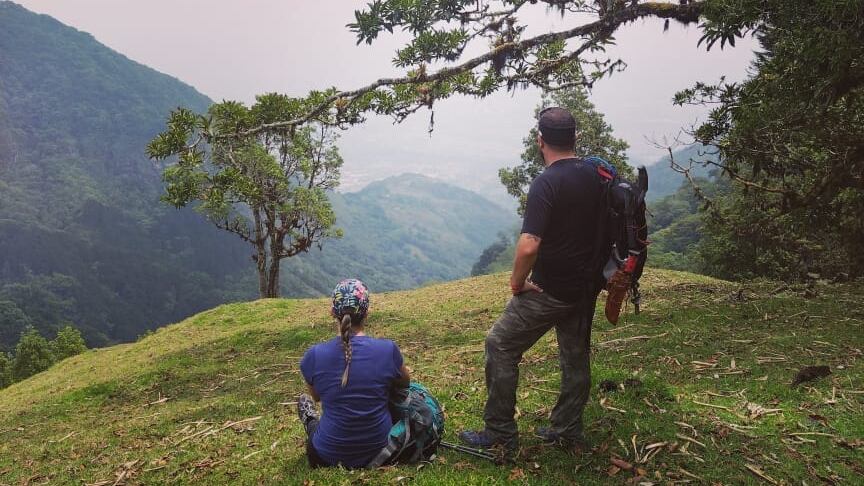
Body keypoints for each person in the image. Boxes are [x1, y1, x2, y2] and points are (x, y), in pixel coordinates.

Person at [459, 107, 605, 457]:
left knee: (500, 345)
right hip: (585, 287)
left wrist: (516, 283)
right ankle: (567, 429)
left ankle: (500, 434)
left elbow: (529, 245)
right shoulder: (596, 174)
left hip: (550, 289)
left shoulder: (547, 182)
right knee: (575, 357)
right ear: (575, 137)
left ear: (540, 141)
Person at [297, 278, 411, 468]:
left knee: (313, 423)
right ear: (367, 313)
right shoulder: (387, 350)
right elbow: (405, 383)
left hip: (326, 455)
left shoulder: (314, 355)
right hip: (382, 451)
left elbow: (316, 397)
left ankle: (309, 418)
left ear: (332, 312)